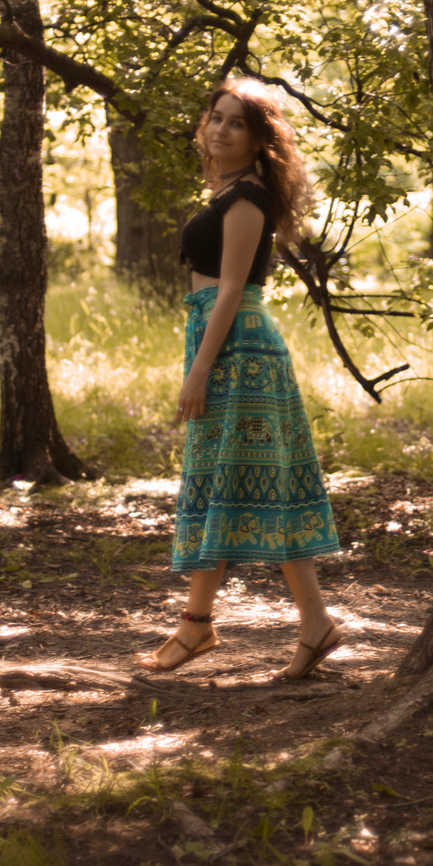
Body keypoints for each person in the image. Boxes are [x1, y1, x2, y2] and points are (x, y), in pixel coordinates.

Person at [136, 79, 345, 680]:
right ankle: (299, 624)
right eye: (217, 118)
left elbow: (232, 290)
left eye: (236, 124)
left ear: (258, 142)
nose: (221, 129)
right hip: (219, 339)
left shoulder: (246, 199)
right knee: (230, 480)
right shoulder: (227, 194)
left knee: (232, 479)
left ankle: (203, 628)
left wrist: (199, 370)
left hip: (238, 348)